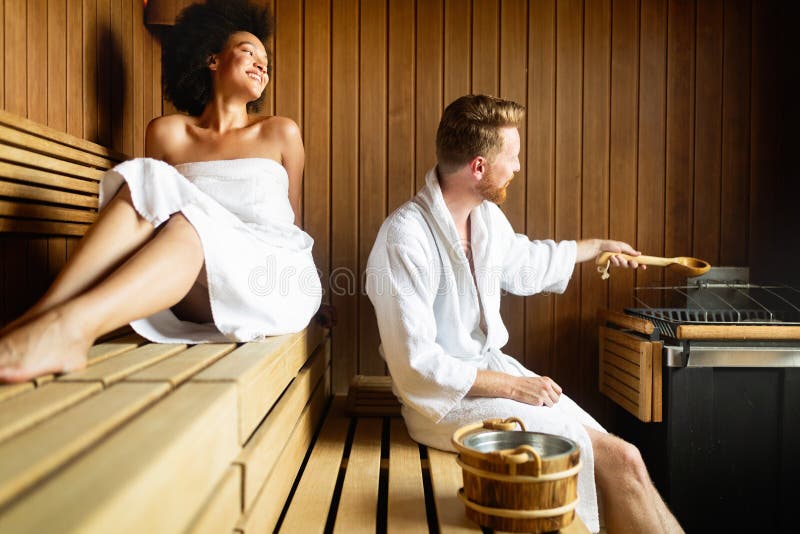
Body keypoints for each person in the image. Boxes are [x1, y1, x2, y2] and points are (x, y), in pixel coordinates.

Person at [365, 94, 682, 533]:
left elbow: (529, 262)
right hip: (442, 405)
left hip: (492, 381)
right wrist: (514, 387)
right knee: (618, 459)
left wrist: (597, 248)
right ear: (478, 167)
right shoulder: (404, 239)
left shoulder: (486, 219)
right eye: (511, 157)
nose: (517, 167)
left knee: (623, 457)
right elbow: (415, 366)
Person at [0, 0, 321, 383]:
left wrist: (321, 300)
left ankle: (68, 328)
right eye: (248, 51)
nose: (261, 64)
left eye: (266, 60)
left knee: (188, 226)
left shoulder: (281, 131)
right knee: (152, 181)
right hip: (196, 286)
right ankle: (42, 317)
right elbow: (150, 209)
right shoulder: (167, 133)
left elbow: (293, 227)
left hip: (271, 277)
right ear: (212, 60)